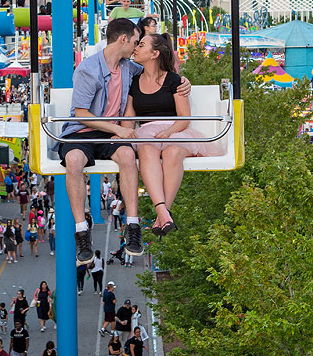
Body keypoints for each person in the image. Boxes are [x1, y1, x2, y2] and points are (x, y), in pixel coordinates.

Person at [55, 18, 192, 263]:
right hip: (83, 131)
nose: (136, 47)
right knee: (74, 160)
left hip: (112, 134)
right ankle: (81, 230)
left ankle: (132, 225)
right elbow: (81, 114)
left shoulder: (130, 68)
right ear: (123, 40)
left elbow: (159, 71)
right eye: (135, 42)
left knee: (128, 155)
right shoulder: (88, 69)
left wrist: (182, 81)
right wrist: (119, 130)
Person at [125, 32, 219, 236]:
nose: (136, 49)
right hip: (148, 131)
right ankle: (164, 213)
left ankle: (162, 213)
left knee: (173, 152)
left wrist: (169, 131)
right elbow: (129, 117)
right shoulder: (134, 81)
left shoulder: (174, 80)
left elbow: (184, 117)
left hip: (174, 129)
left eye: (141, 45)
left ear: (154, 53)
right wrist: (123, 132)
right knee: (147, 150)